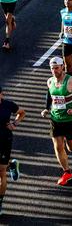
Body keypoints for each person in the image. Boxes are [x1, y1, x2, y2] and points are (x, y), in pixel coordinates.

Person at [40, 57, 72, 186]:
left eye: (57, 68)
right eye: (52, 68)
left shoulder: (70, 80)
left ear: (62, 67)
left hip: (70, 120)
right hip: (55, 119)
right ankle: (67, 172)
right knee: (58, 147)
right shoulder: (50, 81)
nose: (54, 71)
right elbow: (49, 95)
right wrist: (46, 109)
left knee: (71, 148)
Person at [0, 85, 25, 215]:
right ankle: (12, 165)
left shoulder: (8, 105)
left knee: (1, 172)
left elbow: (22, 112)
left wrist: (15, 123)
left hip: (4, 141)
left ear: (1, 94)